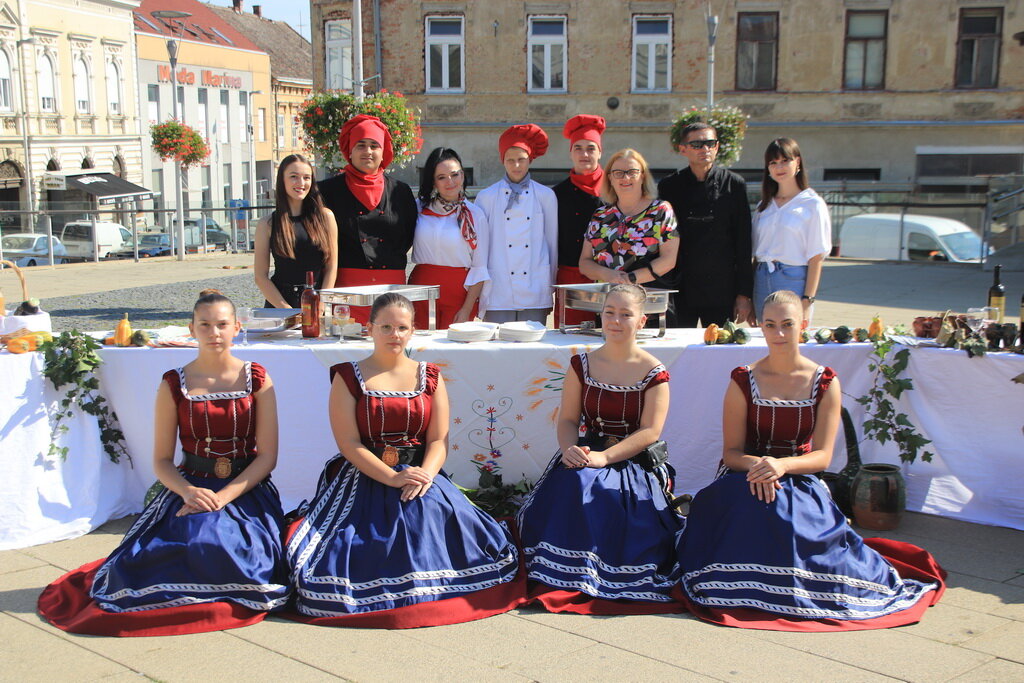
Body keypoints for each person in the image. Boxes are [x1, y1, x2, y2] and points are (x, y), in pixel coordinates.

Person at [677, 290, 945, 631]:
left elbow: (822, 456)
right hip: (744, 475)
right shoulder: (743, 379)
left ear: (803, 325)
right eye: (771, 325)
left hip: (799, 476)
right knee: (747, 513)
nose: (779, 334)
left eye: (788, 324)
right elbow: (731, 452)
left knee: (790, 521)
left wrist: (782, 465)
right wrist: (761, 466)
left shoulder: (825, 382)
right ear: (760, 327)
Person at [38, 290, 290, 636]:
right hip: (190, 487)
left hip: (244, 489)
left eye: (222, 324)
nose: (214, 332)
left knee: (236, 554)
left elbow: (268, 456)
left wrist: (224, 498)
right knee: (169, 552)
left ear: (237, 328)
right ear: (192, 329)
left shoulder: (257, 379)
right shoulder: (174, 384)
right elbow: (160, 460)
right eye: (205, 324)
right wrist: (189, 492)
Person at [285, 293, 524, 628]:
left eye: (402, 327)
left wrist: (425, 475)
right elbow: (349, 443)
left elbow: (438, 439)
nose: (394, 334)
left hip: (421, 475)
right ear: (369, 328)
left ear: (412, 331)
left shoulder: (429, 376)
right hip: (366, 475)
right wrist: (392, 478)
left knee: (430, 521)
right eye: (386, 326)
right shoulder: (348, 376)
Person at [516, 284, 684, 614]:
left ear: (642, 321)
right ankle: (566, 567)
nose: (616, 321)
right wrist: (569, 450)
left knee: (606, 498)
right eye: (610, 312)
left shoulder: (654, 373)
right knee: (575, 483)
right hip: (585, 451)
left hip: (632, 461)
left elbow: (650, 431)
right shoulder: (582, 365)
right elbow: (567, 419)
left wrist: (606, 457)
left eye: (625, 314)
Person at [318, 114, 417, 323]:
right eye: (361, 145)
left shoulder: (401, 191)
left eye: (374, 145)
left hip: (391, 289)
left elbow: (408, 235)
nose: (368, 151)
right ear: (350, 151)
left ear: (383, 152)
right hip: (345, 290)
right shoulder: (327, 191)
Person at [657, 122, 753, 327]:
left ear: (717, 147)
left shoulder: (734, 184)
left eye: (710, 143)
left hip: (722, 287)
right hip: (682, 287)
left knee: (721, 350)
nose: (705, 149)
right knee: (678, 350)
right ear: (683, 149)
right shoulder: (669, 186)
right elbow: (662, 239)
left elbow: (744, 241)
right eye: (697, 144)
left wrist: (744, 294)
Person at [475, 124, 558, 324]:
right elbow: (480, 249)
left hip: (535, 286)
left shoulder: (546, 195)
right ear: (502, 161)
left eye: (521, 159)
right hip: (498, 287)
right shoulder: (486, 196)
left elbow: (552, 243)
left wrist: (550, 284)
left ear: (529, 159)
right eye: (510, 160)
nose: (517, 166)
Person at [578, 149, 679, 295]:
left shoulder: (661, 210)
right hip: (609, 304)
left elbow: (668, 260)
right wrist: (608, 275)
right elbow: (585, 263)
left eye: (632, 172)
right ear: (610, 179)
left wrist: (630, 279)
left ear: (643, 176)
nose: (625, 178)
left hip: (649, 301)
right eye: (618, 173)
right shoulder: (600, 215)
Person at [752, 138, 831, 323]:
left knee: (790, 336)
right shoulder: (763, 206)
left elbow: (816, 257)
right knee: (763, 337)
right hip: (762, 278)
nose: (779, 167)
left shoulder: (812, 204)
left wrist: (808, 300)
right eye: (773, 162)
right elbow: (755, 254)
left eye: (785, 160)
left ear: (798, 162)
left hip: (792, 279)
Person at [409, 147, 489, 329]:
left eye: (455, 174)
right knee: (418, 349)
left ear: (463, 175)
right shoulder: (419, 209)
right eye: (441, 177)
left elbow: (479, 266)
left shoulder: (475, 215)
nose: (450, 182)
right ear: (433, 181)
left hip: (458, 293)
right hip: (420, 289)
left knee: (451, 353)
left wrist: (467, 308)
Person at [254, 153, 338, 308]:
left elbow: (331, 267)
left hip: (317, 301)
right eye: (294, 176)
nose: (301, 183)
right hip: (281, 304)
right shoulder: (267, 224)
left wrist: (321, 305)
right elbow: (260, 276)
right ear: (282, 180)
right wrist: (286, 310)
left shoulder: (326, 217)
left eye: (307, 177)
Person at [553, 115, 605, 327]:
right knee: (572, 342)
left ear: (600, 152)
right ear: (570, 153)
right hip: (571, 278)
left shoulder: (616, 187)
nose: (585, 154)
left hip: (610, 277)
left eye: (591, 148)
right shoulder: (557, 194)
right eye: (578, 148)